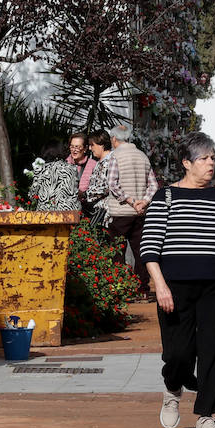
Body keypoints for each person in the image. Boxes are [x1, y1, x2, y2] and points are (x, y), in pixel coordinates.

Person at [141, 133, 215, 428]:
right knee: (178, 351)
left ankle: (207, 415)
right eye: (203, 158)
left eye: (212, 157)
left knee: (213, 349)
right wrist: (160, 286)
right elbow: (149, 247)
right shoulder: (165, 197)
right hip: (175, 286)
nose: (211, 163)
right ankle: (172, 386)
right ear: (186, 163)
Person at [106, 121, 159, 298]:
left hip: (120, 212)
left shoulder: (115, 156)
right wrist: (143, 202)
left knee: (117, 252)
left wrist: (130, 200)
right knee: (140, 251)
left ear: (114, 139)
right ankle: (142, 288)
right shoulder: (142, 156)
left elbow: (112, 183)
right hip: (139, 213)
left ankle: (121, 288)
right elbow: (153, 185)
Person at [31, 142, 81, 212]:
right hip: (68, 214)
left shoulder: (40, 170)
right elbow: (74, 192)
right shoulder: (72, 168)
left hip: (45, 215)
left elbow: (33, 195)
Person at [81, 129, 113, 226]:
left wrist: (85, 195)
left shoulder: (110, 161)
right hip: (99, 210)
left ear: (102, 144)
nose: (90, 148)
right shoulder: (101, 162)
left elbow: (105, 186)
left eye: (92, 145)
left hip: (106, 212)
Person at [70, 132, 97, 208]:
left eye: (77, 147)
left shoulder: (93, 165)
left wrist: (83, 194)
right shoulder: (64, 163)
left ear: (85, 148)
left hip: (85, 208)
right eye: (72, 147)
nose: (74, 150)